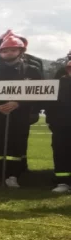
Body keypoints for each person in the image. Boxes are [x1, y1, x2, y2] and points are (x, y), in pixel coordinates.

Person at [0, 30, 43, 188]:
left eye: (13, 50)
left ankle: (13, 175)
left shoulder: (32, 70)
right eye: (5, 50)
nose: (9, 53)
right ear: (0, 52)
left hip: (20, 113)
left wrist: (18, 103)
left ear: (21, 51)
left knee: (17, 143)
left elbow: (40, 93)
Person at [47, 53, 71, 194]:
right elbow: (50, 106)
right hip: (61, 126)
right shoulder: (58, 85)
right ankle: (62, 182)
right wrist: (52, 122)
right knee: (61, 153)